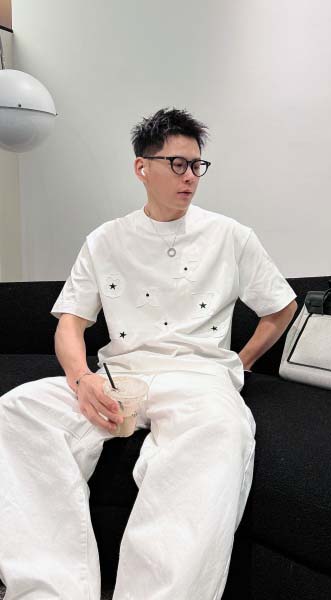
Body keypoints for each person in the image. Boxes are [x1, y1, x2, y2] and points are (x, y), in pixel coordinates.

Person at [0, 108, 297, 600]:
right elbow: (70, 324)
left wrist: (238, 364)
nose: (190, 177)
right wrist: (82, 379)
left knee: (219, 432)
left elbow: (281, 307)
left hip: (198, 376)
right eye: (178, 164)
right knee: (17, 411)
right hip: (120, 376)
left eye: (197, 165)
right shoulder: (104, 240)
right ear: (142, 168)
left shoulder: (231, 236)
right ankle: (48, 590)